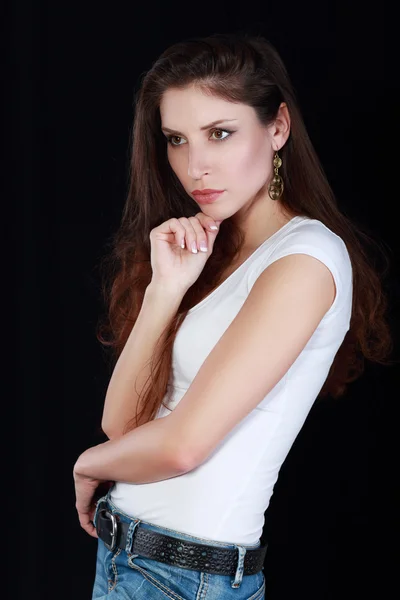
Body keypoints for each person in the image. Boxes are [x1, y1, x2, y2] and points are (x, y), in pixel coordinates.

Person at [72, 31, 393, 599]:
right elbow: (123, 425)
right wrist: (164, 291)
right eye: (176, 139)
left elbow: (181, 446)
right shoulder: (207, 254)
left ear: (277, 128)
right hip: (126, 559)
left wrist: (88, 465)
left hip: (187, 576)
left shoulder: (307, 259)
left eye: (219, 133)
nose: (195, 166)